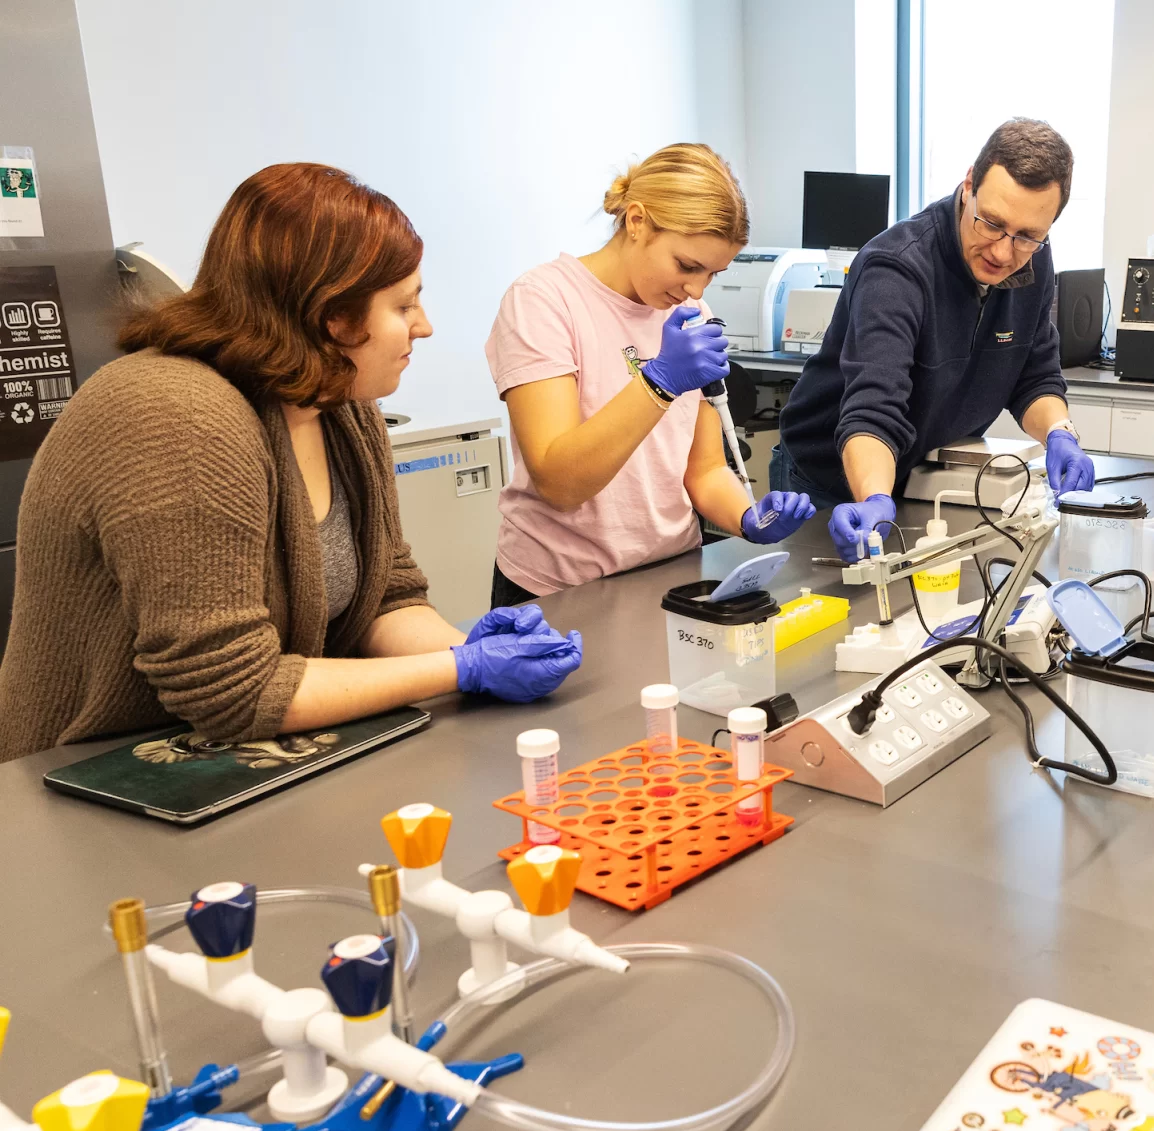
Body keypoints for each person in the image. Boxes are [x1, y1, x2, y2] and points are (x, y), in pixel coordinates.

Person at [0, 163, 582, 763]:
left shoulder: (341, 408)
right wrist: (459, 668)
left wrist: (465, 651)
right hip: (87, 777)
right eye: (405, 306)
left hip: (236, 760)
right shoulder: (177, 417)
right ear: (333, 317)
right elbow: (232, 692)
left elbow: (384, 597)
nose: (424, 327)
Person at [485, 144, 815, 606]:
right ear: (636, 221)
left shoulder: (691, 312)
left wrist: (748, 518)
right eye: (686, 265)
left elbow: (704, 471)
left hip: (670, 576)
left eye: (713, 274)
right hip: (558, 588)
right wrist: (658, 383)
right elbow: (559, 484)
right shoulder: (543, 301)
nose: (695, 289)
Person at [768, 118, 1097, 562]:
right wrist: (873, 500)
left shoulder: (1031, 257)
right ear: (968, 187)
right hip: (829, 482)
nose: (1003, 252)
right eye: (992, 224)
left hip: (917, 474)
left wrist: (1060, 432)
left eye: (1027, 237)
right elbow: (873, 407)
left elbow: (1033, 374)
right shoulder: (897, 269)